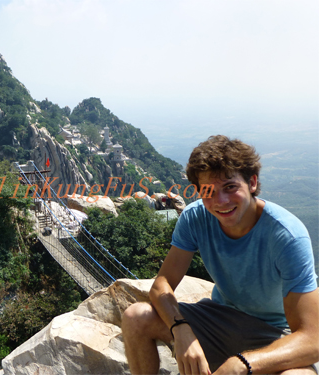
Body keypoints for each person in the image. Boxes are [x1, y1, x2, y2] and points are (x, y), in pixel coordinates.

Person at [121, 135, 318, 375]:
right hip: (219, 320)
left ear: (252, 183)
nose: (220, 202)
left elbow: (312, 339)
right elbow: (161, 285)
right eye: (208, 191)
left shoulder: (287, 236)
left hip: (273, 334)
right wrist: (180, 329)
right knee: (136, 317)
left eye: (230, 187)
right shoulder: (196, 218)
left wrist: (241, 364)